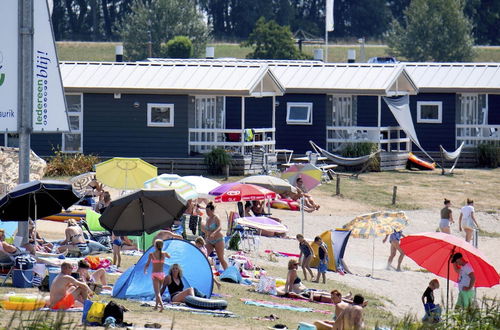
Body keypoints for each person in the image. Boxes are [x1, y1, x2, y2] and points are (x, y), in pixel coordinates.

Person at [144, 239, 171, 311]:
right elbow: (169, 256)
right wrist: (165, 253)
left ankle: (161, 305)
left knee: (157, 292)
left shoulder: (151, 254)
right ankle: (156, 306)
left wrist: (145, 270)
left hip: (155, 274)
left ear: (155, 246)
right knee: (159, 290)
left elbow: (147, 264)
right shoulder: (164, 253)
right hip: (162, 274)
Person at [202, 202, 228, 270]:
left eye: (208, 211)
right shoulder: (207, 219)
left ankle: (228, 271)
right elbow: (206, 230)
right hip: (210, 241)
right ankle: (204, 270)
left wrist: (214, 233)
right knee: (204, 255)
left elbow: (220, 227)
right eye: (206, 211)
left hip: (218, 240)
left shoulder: (216, 217)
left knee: (221, 258)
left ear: (212, 210)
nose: (207, 212)